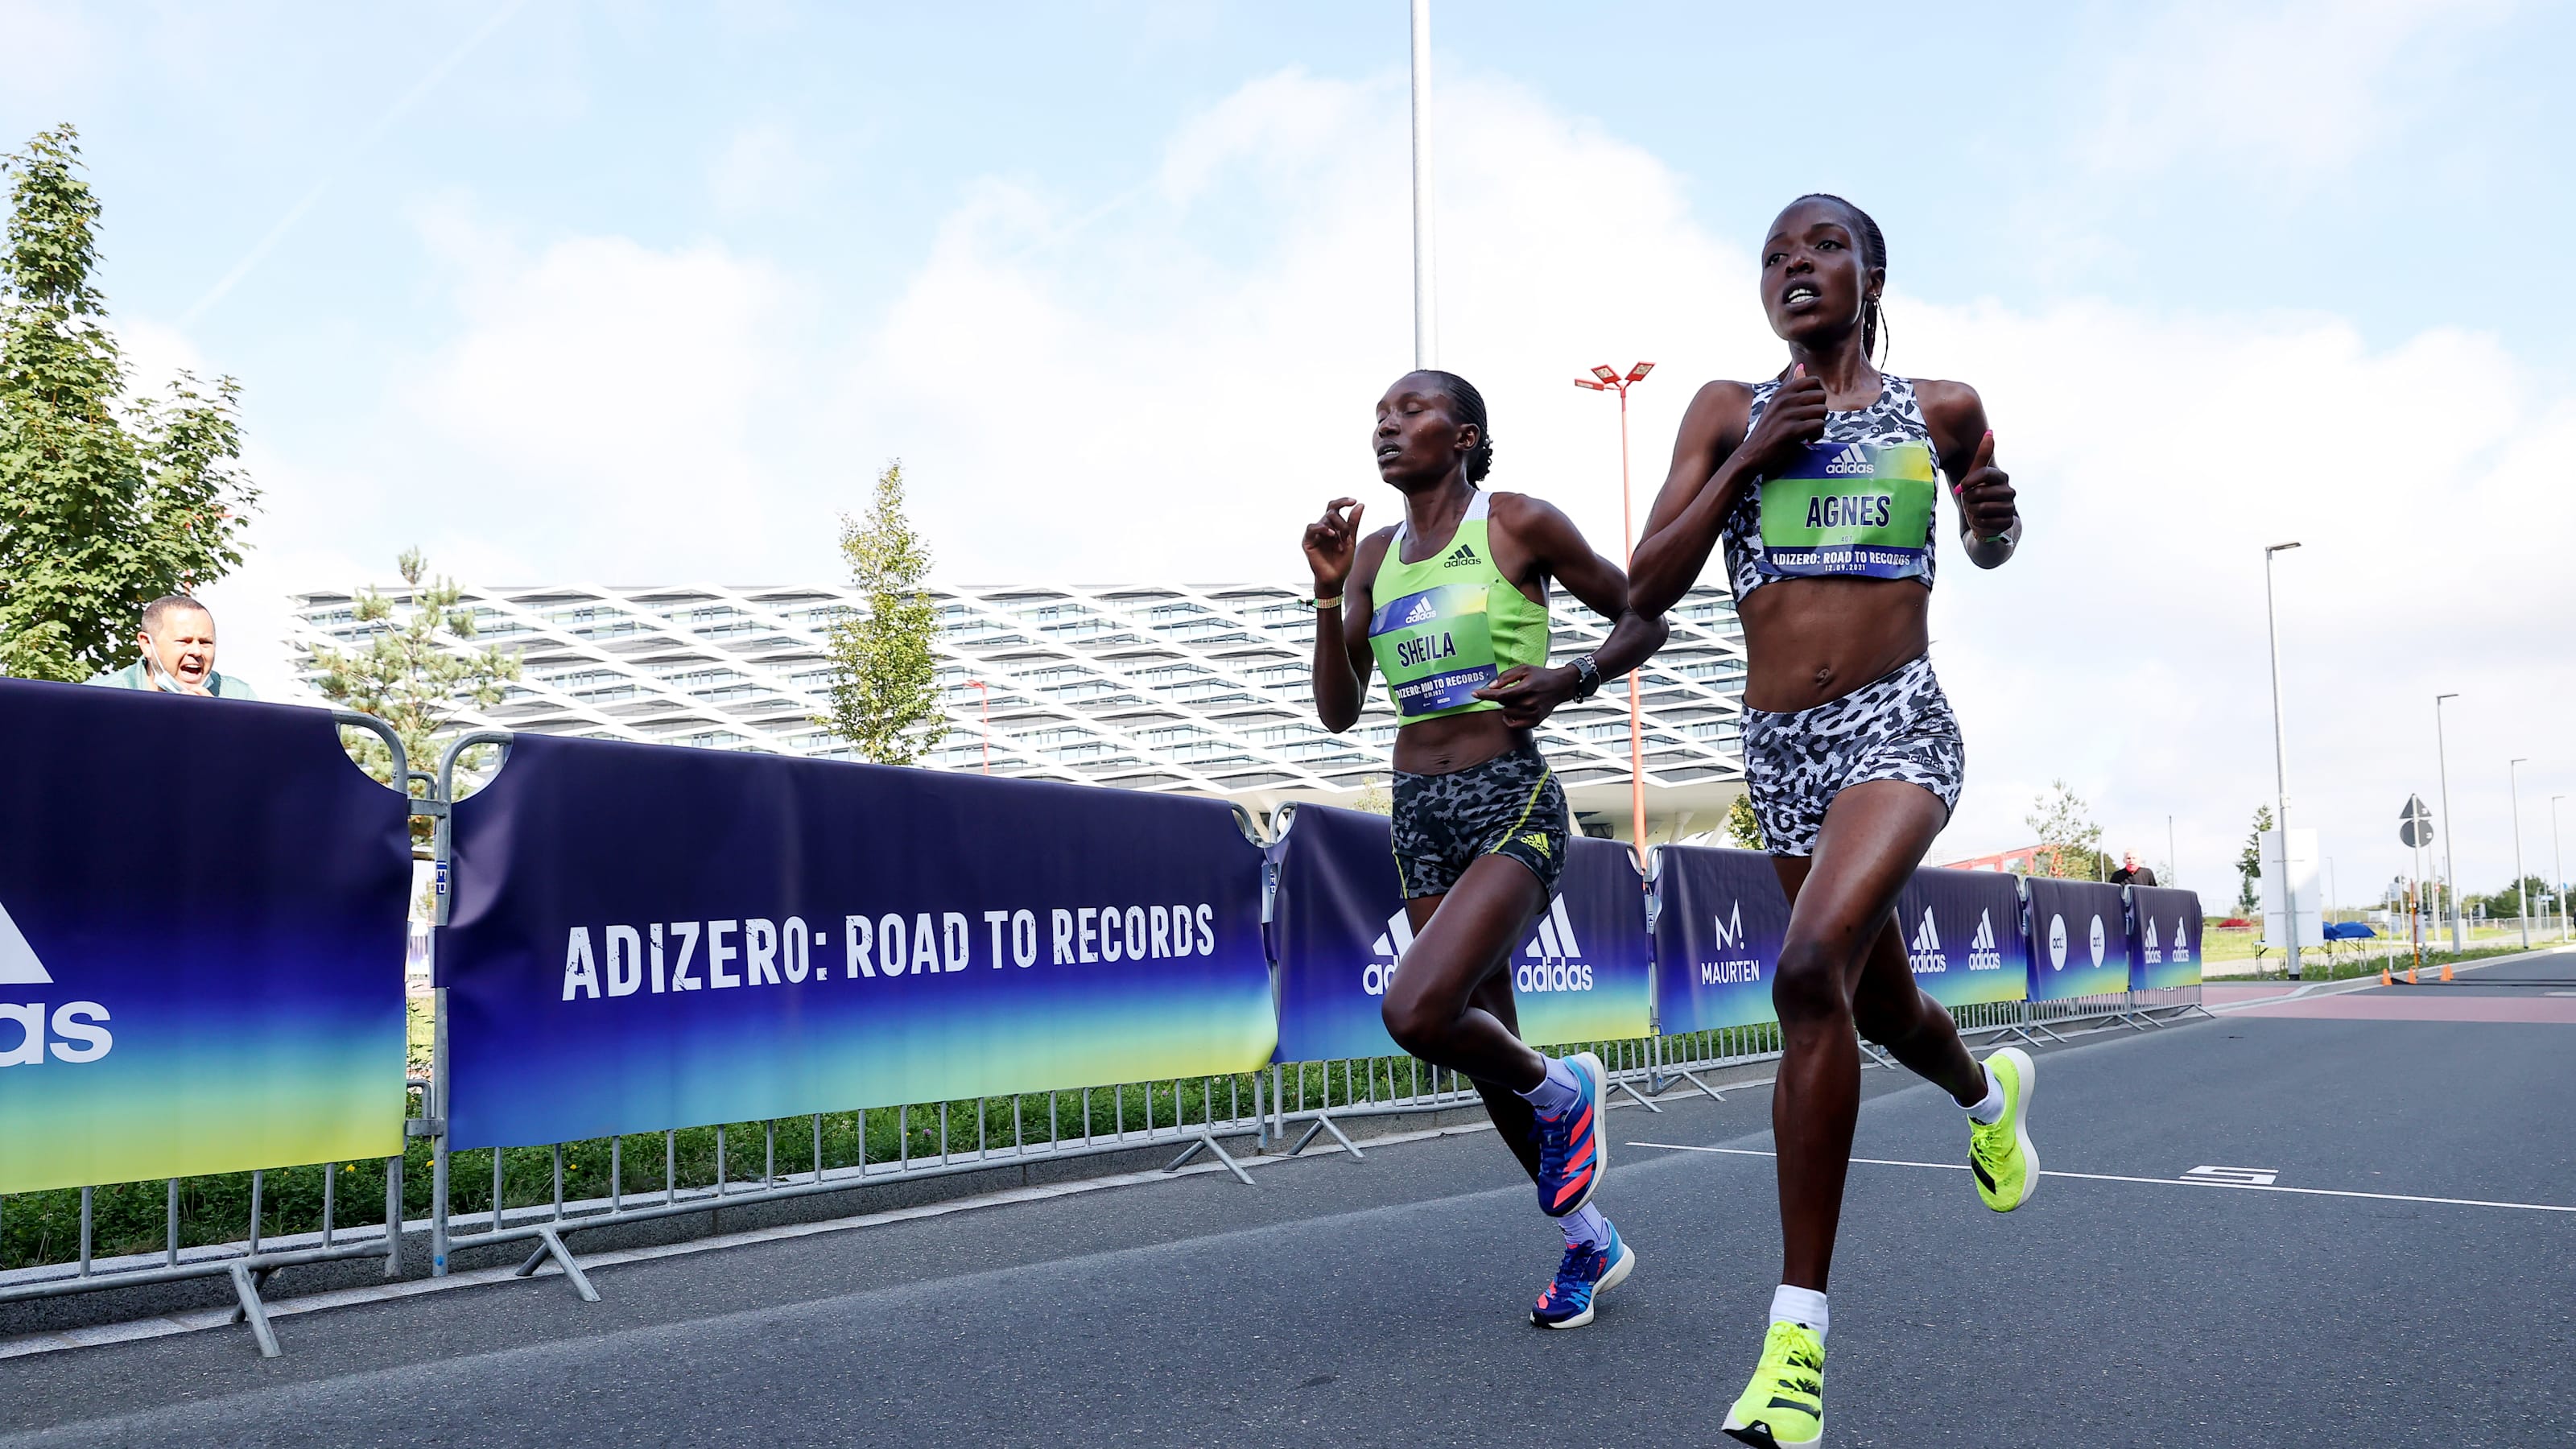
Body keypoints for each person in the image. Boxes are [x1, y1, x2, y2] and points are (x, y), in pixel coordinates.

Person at [1625, 196, 2035, 1448]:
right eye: (1773, 255)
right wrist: (1752, 456)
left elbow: (1990, 536)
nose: (1794, 267)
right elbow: (1646, 584)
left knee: (1809, 974)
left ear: (1873, 273)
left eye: (1821, 248)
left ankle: (1795, 1344)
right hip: (1781, 755)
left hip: (1900, 726)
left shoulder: (1943, 409)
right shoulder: (1721, 410)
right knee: (1875, 1001)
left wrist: (1991, 521)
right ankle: (1988, 1098)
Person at [1302, 369, 1666, 1331]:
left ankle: (1567, 1088)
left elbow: (1642, 616)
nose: (1386, 426)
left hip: (1510, 797)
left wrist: (1571, 677)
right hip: (1417, 809)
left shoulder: (1517, 523)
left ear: (1463, 435)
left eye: (1409, 411)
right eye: (1378, 414)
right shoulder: (1376, 556)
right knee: (1482, 1039)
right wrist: (1328, 592)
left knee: (1418, 1010)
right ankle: (1588, 1240)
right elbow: (1338, 712)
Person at [83, 595, 259, 700]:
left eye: (206, 642)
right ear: (146, 644)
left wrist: (218, 720)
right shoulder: (98, 697)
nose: (196, 652)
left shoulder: (238, 696)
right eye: (184, 641)